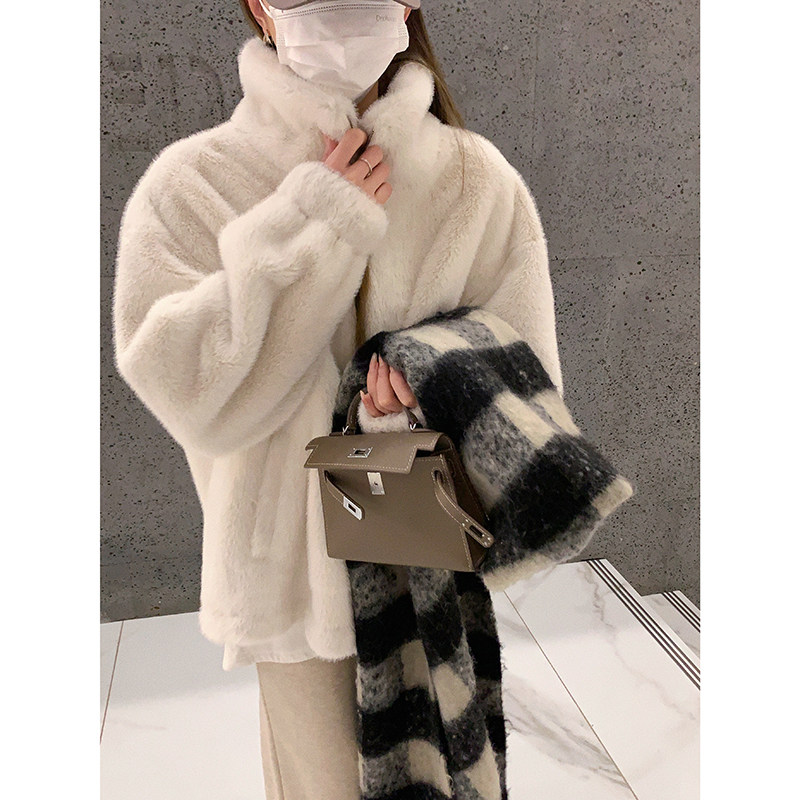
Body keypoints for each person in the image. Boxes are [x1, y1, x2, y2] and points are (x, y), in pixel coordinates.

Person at [112, 1, 564, 797]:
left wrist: (430, 391)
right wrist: (311, 225)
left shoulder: (475, 182)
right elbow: (187, 392)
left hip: (430, 578)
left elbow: (532, 406)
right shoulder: (192, 183)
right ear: (258, 6)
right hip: (293, 601)